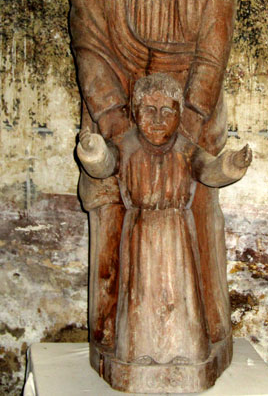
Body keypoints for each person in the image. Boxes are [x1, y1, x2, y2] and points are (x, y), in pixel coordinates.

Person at [69, 0, 237, 358]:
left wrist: (182, 138)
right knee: (110, 205)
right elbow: (91, 51)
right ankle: (108, 331)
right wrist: (121, 132)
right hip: (115, 111)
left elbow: (211, 59)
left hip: (192, 116)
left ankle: (207, 329)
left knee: (199, 210)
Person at [77, 74, 252, 367]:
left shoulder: (185, 149)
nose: (158, 119)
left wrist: (231, 164)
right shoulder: (126, 145)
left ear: (178, 115)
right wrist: (92, 150)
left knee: (179, 295)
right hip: (140, 232)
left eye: (167, 111)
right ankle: (138, 351)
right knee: (141, 296)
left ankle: (185, 350)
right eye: (149, 110)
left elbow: (209, 170)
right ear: (135, 112)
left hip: (177, 233)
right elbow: (105, 164)